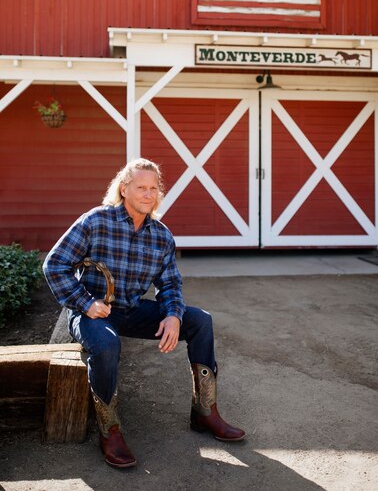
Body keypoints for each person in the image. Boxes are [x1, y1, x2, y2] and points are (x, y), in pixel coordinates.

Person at [43, 158, 245, 468]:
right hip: (91, 312)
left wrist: (173, 315)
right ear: (124, 189)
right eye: (141, 187)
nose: (148, 194)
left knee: (201, 320)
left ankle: (205, 413)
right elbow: (54, 264)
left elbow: (170, 284)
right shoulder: (95, 221)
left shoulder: (161, 235)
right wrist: (84, 302)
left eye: (153, 188)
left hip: (132, 310)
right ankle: (109, 430)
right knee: (108, 344)